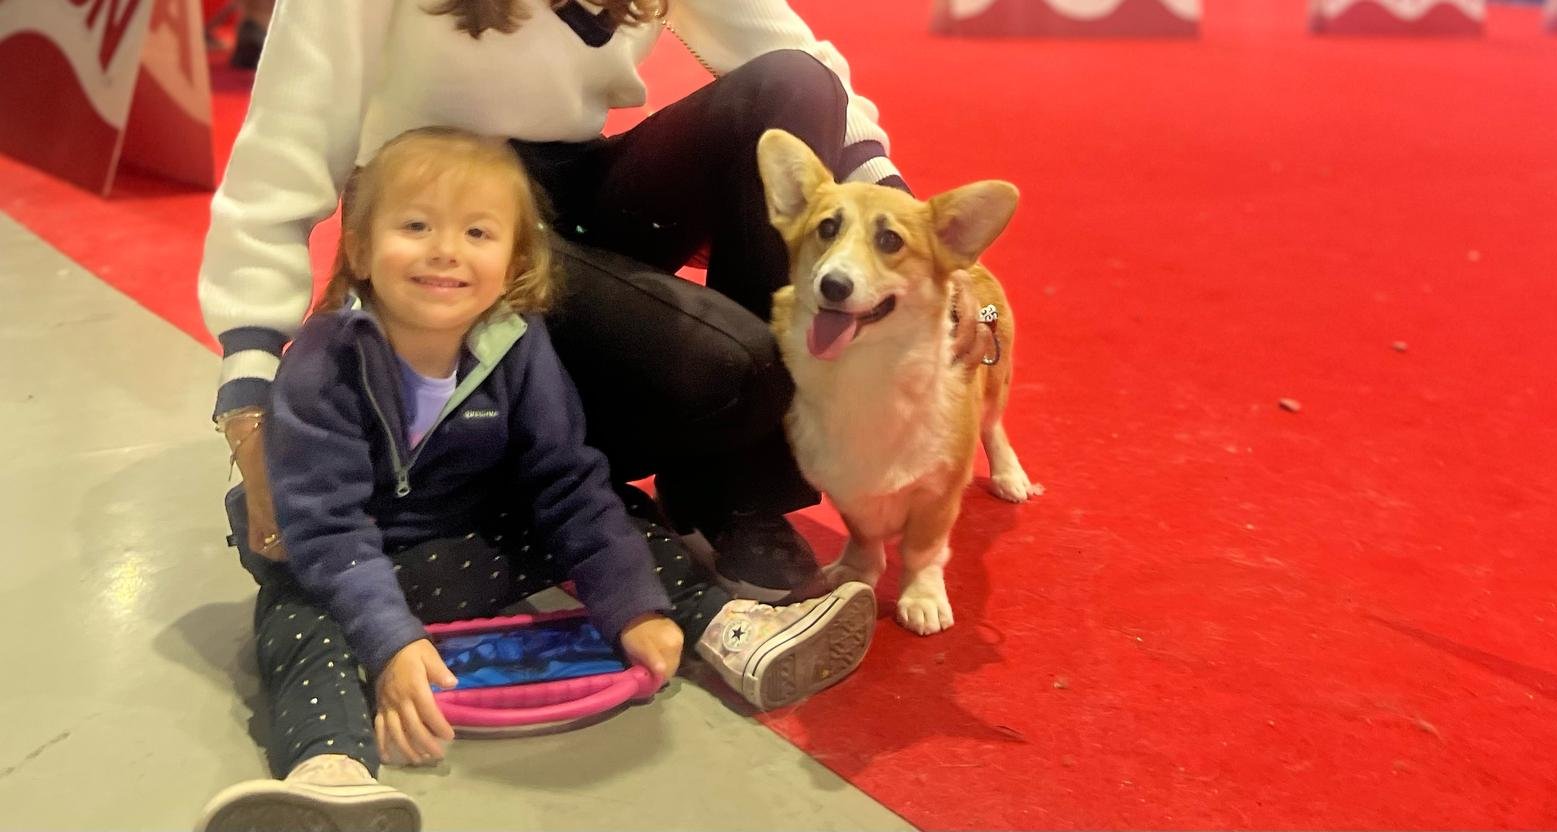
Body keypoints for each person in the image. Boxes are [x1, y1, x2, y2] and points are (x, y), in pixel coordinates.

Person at [195, 127, 877, 831]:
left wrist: (631, 607)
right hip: (349, 563)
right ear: (362, 250)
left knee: (619, 513)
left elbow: (566, 480)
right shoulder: (325, 362)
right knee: (297, 616)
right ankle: (329, 771)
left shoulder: (515, 343)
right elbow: (328, 527)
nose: (445, 250)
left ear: (515, 261)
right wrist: (390, 641)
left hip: (472, 546)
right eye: (416, 226)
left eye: (477, 232)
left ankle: (724, 627)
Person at [201, 0, 978, 606]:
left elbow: (801, 58)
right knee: (738, 372)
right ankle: (509, 459)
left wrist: (924, 250)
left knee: (793, 85)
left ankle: (732, 495)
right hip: (437, 210)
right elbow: (286, 139)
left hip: (572, 186)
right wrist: (250, 386)